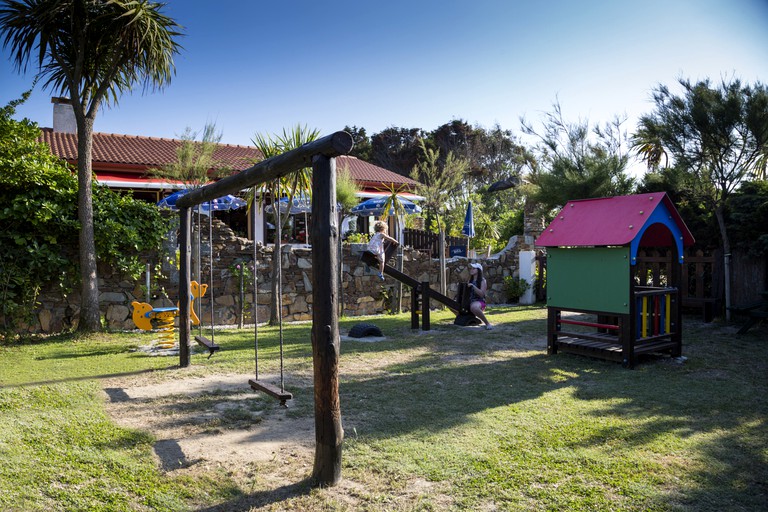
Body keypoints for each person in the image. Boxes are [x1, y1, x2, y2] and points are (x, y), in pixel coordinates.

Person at [467, 262, 493, 330]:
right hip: (469, 300)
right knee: (451, 304)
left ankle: (487, 323)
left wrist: (473, 286)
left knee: (474, 307)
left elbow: (482, 294)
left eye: (474, 268)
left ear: (478, 270)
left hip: (479, 301)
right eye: (471, 268)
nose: (471, 270)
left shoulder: (482, 280)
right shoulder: (470, 280)